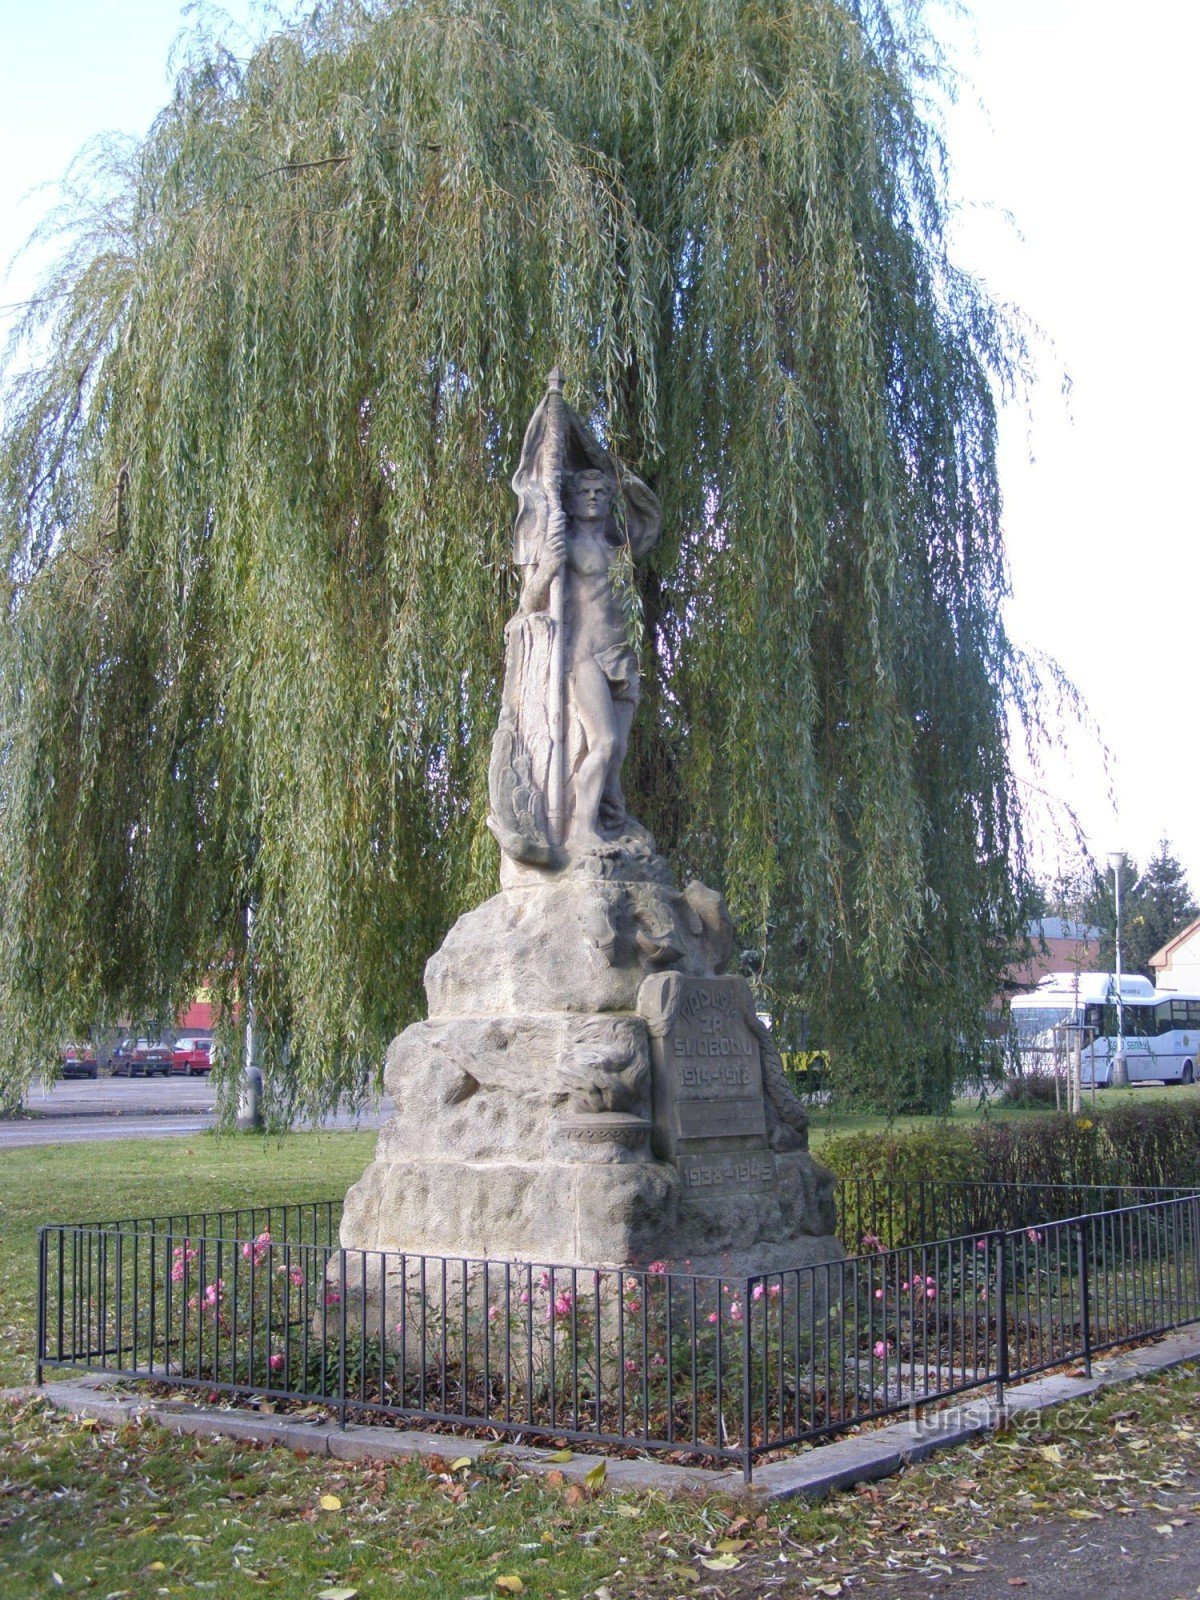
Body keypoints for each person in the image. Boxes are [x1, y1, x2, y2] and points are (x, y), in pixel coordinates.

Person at [519, 466, 643, 846]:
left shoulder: (621, 550)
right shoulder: (563, 544)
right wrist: (547, 570)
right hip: (583, 655)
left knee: (616, 755)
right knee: (602, 742)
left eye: (600, 492)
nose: (592, 497)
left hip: (622, 657)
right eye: (584, 492)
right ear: (570, 501)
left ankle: (611, 822)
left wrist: (629, 481)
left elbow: (651, 519)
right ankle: (582, 834)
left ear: (610, 500)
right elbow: (528, 604)